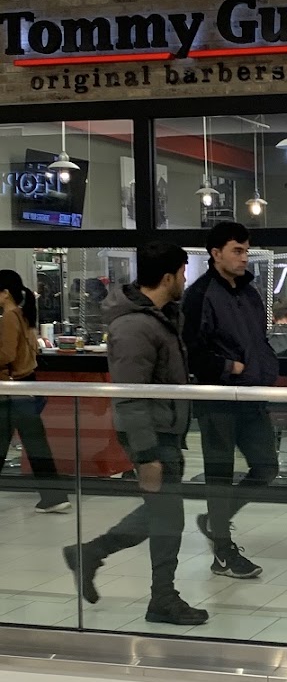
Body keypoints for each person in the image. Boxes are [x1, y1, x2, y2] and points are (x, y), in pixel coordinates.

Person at [62, 243, 208, 627]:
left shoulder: (159, 318)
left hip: (164, 430)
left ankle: (91, 554)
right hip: (151, 434)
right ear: (167, 278)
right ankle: (161, 597)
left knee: (163, 513)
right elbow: (129, 397)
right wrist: (146, 456)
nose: (185, 279)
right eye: (182, 273)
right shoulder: (133, 327)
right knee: (167, 517)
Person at [183, 221, 279, 579]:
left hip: (252, 396)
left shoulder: (250, 293)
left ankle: (214, 521)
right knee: (219, 476)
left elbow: (259, 338)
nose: (244, 257)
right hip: (218, 399)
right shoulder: (199, 296)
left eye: (246, 250)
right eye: (237, 250)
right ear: (216, 253)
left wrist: (264, 366)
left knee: (267, 466)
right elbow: (192, 353)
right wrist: (230, 367)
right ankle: (223, 551)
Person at [0, 270, 70, 514]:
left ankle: (54, 496)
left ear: (5, 293)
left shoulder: (9, 317)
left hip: (12, 389)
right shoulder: (23, 314)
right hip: (26, 386)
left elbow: (7, 354)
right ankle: (53, 496)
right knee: (34, 443)